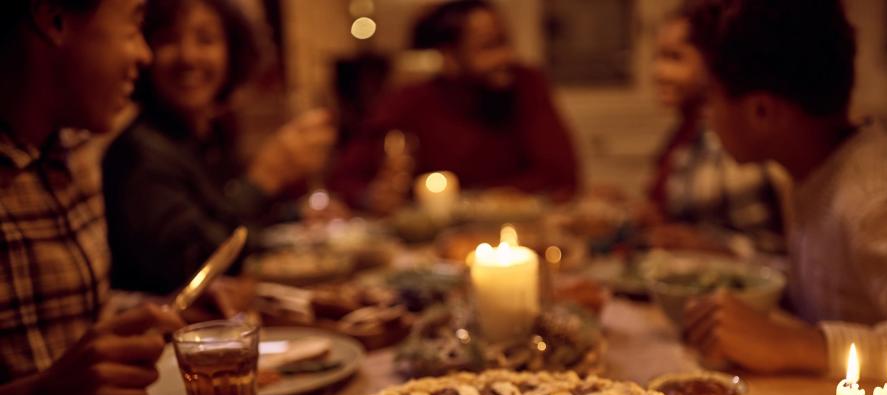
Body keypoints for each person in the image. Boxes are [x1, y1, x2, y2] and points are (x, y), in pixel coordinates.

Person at [681, 0, 887, 395]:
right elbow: (834, 283)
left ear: (761, 110)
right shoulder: (814, 171)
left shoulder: (874, 201)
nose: (705, 115)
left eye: (710, 97)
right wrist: (727, 260)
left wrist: (805, 345)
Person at [0, 0, 185, 395]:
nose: (144, 55)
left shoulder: (75, 149)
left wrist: (166, 312)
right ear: (53, 18)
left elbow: (69, 319)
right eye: (134, 24)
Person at [103, 0, 335, 295]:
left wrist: (296, 215)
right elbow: (197, 265)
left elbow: (221, 214)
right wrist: (264, 179)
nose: (188, 57)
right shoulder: (139, 154)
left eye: (205, 39)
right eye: (168, 40)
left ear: (233, 52)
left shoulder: (205, 136)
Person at [329, 0, 579, 214]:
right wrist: (373, 196)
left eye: (504, 41)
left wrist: (478, 201)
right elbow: (345, 179)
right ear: (448, 57)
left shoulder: (526, 84)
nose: (506, 56)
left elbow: (561, 175)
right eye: (489, 46)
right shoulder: (410, 100)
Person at [645, 5, 784, 255]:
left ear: (711, 62)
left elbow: (772, 248)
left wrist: (708, 246)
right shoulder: (687, 131)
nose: (658, 72)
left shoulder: (732, 134)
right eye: (657, 57)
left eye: (675, 57)